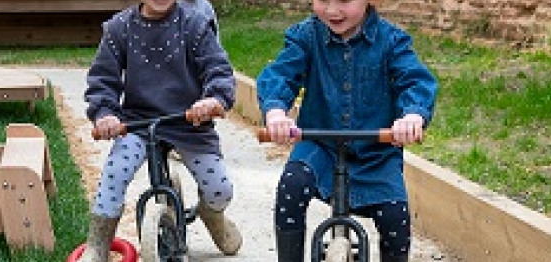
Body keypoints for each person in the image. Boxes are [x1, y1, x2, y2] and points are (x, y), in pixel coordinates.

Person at [255, 0, 438, 261]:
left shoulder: (392, 41)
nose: (331, 10)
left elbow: (415, 80)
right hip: (320, 148)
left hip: (376, 154)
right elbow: (281, 74)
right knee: (292, 184)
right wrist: (275, 112)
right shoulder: (306, 37)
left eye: (343, 0)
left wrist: (412, 115)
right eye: (323, 0)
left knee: (396, 217)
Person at [80, 0, 241, 261]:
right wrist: (105, 113)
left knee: (219, 190)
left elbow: (218, 68)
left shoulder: (195, 24)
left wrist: (214, 99)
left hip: (190, 122)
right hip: (138, 123)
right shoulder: (119, 28)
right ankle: (98, 245)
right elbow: (102, 80)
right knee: (114, 174)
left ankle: (212, 215)